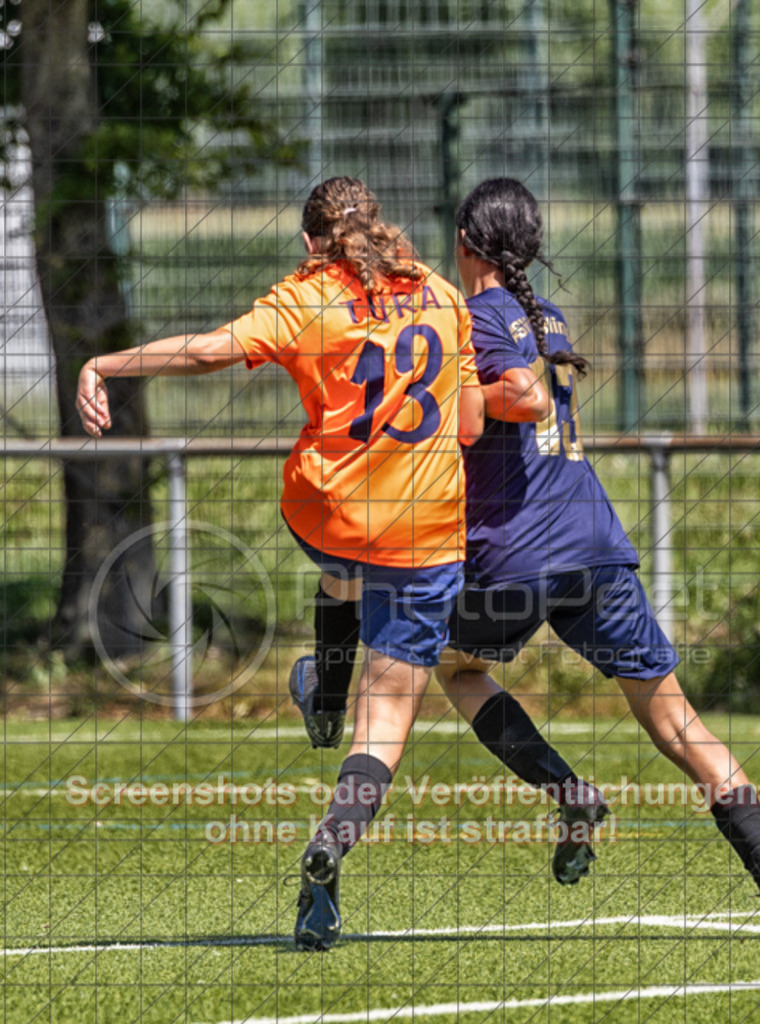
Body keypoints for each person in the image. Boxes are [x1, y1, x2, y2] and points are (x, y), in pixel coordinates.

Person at [292, 177, 760, 940]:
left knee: (456, 670)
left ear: (466, 243)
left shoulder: (474, 317)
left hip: (514, 556)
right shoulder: (545, 315)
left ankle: (566, 790)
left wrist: (458, 404)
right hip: (594, 545)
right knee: (677, 723)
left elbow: (521, 397)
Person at [75, 176, 484, 952]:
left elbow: (209, 351)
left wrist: (105, 364)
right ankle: (333, 831)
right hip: (424, 531)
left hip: (328, 513)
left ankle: (320, 690)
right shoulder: (437, 292)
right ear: (381, 226)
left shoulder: (306, 297)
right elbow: (467, 424)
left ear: (309, 242)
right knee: (387, 717)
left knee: (342, 566)